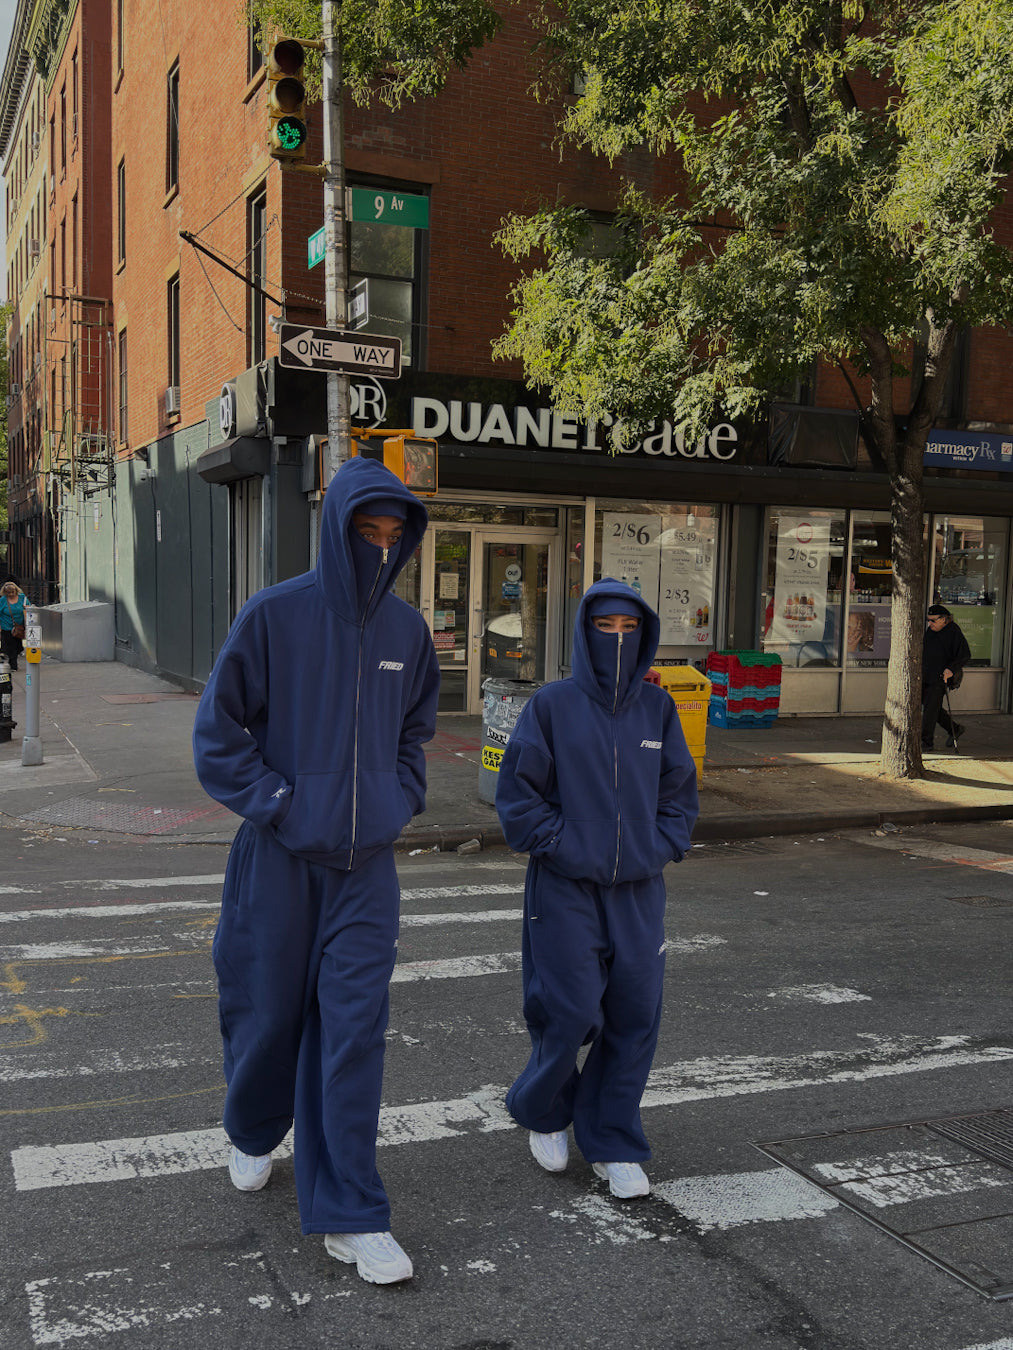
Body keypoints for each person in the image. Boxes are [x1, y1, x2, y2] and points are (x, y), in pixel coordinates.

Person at [192, 457, 440, 1285]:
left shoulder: (407, 632)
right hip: (277, 861)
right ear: (336, 529)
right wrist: (284, 805)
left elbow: (414, 734)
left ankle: (351, 1213)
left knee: (353, 1034)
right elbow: (218, 736)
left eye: (394, 534)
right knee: (266, 1021)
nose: (381, 546)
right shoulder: (274, 615)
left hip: (366, 871)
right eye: (367, 531)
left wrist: (398, 798)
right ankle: (252, 1127)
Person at [495, 578, 700, 1199]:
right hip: (563, 888)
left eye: (629, 628)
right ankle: (545, 1109)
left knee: (634, 1015)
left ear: (646, 635)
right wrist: (566, 845)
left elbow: (678, 793)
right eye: (605, 626)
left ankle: (612, 1138)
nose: (617, 638)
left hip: (638, 891)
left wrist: (658, 846)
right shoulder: (551, 706)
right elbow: (518, 800)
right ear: (585, 632)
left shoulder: (656, 709)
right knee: (569, 1009)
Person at [922, 604, 970, 750]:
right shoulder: (931, 631)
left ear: (944, 619)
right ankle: (954, 728)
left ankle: (926, 743)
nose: (930, 623)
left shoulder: (953, 631)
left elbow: (964, 654)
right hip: (925, 675)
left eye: (933, 620)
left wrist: (951, 669)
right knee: (932, 707)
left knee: (930, 711)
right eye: (928, 620)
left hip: (940, 677)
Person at [0, 579, 26, 672]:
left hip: (19, 627)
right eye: (8, 593)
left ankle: (12, 655)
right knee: (11, 647)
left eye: (12, 592)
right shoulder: (3, 600)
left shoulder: (22, 598)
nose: (11, 594)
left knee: (18, 646)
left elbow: (28, 608)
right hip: (6, 626)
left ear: (16, 591)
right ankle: (13, 666)